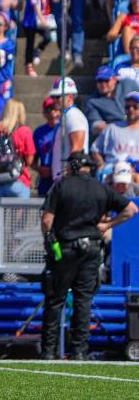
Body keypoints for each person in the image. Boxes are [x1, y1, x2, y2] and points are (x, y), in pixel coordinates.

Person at [41, 153, 136, 359]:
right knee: (83, 301)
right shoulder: (101, 188)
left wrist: (49, 239)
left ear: (73, 166)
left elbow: (47, 220)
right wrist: (107, 225)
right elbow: (131, 209)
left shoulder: (61, 185)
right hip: (91, 248)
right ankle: (80, 352)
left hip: (64, 248)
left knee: (55, 299)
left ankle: (49, 351)